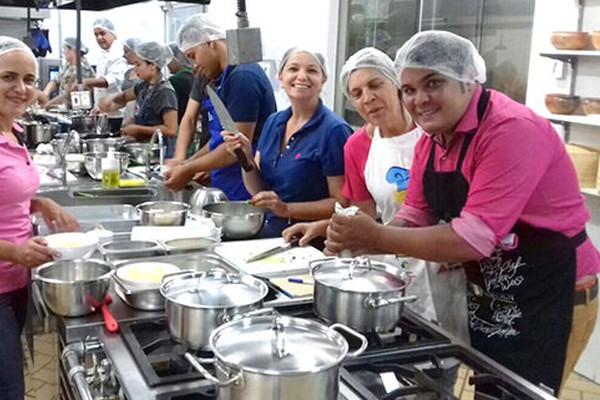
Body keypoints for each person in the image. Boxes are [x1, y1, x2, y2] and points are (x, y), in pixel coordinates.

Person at [324, 30, 600, 395]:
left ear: (468, 81)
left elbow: (474, 236)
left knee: (521, 392)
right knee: (491, 388)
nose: (419, 99)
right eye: (408, 89)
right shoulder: (433, 138)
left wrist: (377, 237)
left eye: (432, 83)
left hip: (553, 290)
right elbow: (418, 212)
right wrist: (364, 242)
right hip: (493, 285)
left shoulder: (510, 130)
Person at [283, 47, 471, 337]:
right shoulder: (357, 147)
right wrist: (330, 228)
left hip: (446, 258)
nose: (367, 98)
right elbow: (366, 217)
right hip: (391, 262)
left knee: (442, 353)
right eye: (356, 93)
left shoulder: (435, 130)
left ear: (396, 84)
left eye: (374, 85)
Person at [0, 36, 79, 400]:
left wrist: (40, 203)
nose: (22, 88)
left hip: (15, 281)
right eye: (8, 77)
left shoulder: (12, 131)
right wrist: (15, 252)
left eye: (29, 80)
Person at [223, 48, 352, 237]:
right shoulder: (274, 122)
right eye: (293, 69)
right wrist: (246, 158)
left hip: (310, 241)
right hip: (270, 234)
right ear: (280, 78)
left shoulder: (333, 131)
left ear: (323, 80)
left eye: (312, 71)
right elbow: (259, 190)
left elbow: (342, 203)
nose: (302, 76)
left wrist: (287, 209)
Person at [164, 13, 277, 200]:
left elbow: (236, 147)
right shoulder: (210, 76)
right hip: (223, 178)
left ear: (210, 42)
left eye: (193, 56)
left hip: (245, 181)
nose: (193, 66)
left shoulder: (243, 77)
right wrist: (185, 163)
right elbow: (217, 136)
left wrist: (190, 167)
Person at [97, 41, 178, 155]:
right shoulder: (143, 86)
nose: (135, 69)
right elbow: (124, 97)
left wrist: (137, 129)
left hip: (160, 152)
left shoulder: (164, 92)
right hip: (145, 148)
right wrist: (109, 101)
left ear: (153, 65)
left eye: (138, 64)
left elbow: (170, 129)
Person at [83, 18, 128, 118]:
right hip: (104, 112)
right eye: (96, 35)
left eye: (102, 33)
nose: (99, 38)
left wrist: (87, 82)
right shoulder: (104, 55)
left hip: (118, 114)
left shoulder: (119, 53)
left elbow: (112, 80)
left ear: (113, 34)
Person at [41, 37, 95, 109]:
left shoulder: (82, 69)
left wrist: (47, 105)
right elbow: (56, 80)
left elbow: (68, 94)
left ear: (73, 50)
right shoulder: (68, 65)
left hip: (77, 110)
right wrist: (45, 94)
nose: (63, 52)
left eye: (65, 49)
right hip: (65, 107)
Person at [121, 37, 142, 127]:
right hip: (126, 115)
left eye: (126, 52)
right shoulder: (128, 73)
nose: (123, 55)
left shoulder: (144, 75)